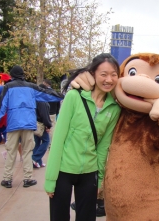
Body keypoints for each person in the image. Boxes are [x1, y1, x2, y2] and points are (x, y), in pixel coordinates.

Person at [44, 53, 121, 221]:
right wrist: (50, 179)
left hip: (89, 172)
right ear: (92, 74)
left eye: (114, 74)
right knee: (59, 217)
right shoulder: (74, 97)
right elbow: (58, 140)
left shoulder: (114, 109)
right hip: (64, 169)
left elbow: (103, 147)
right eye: (104, 74)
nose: (109, 79)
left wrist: (99, 180)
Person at [0, 65, 63, 189]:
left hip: (13, 124)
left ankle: (7, 179)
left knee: (11, 152)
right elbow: (47, 94)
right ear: (23, 74)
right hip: (28, 123)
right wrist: (62, 96)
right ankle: (28, 179)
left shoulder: (8, 87)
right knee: (27, 152)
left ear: (12, 75)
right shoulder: (31, 87)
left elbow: (1, 106)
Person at [32, 84, 52, 168]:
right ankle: (35, 158)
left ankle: (38, 161)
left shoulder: (35, 99)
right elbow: (44, 115)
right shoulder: (42, 101)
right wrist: (48, 125)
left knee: (36, 143)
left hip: (35, 123)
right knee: (46, 141)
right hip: (41, 124)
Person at [43, 79, 60, 144]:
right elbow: (58, 103)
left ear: (45, 83)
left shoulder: (44, 92)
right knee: (53, 128)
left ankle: (46, 142)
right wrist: (57, 112)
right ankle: (52, 143)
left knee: (44, 128)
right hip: (53, 113)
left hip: (45, 112)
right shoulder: (55, 92)